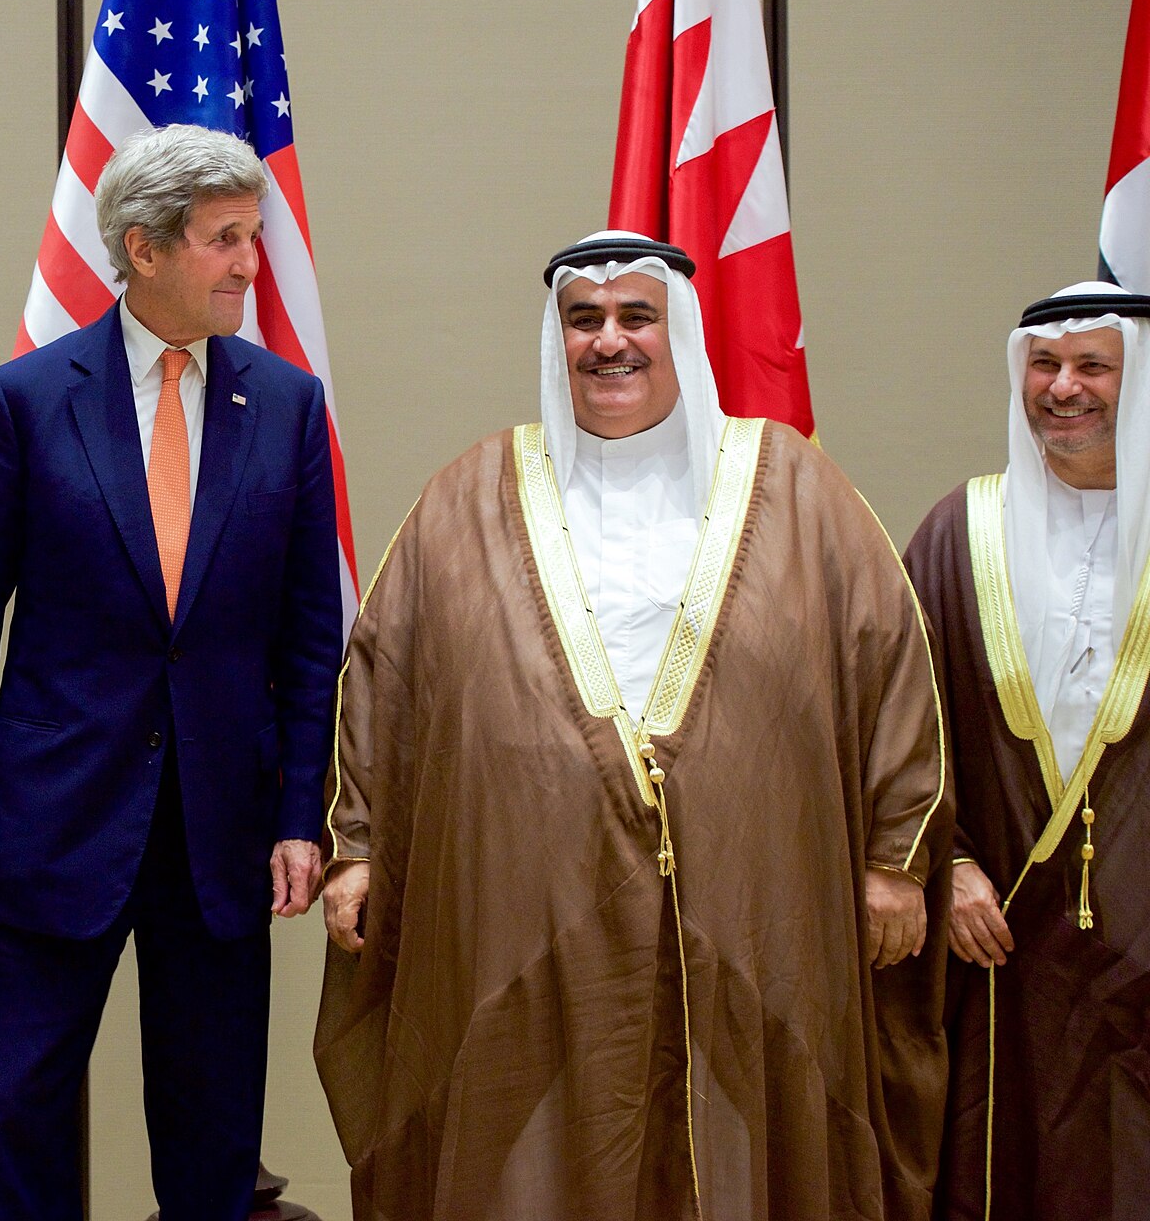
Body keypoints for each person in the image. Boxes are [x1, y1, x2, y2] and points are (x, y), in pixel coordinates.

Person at [315, 232, 952, 1220]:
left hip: (755, 893)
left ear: (680, 331)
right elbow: (386, 674)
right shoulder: (469, 495)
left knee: (747, 1141)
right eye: (584, 319)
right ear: (556, 338)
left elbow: (889, 664)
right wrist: (354, 848)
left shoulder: (793, 484)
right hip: (524, 901)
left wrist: (892, 861)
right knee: (526, 1142)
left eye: (635, 316)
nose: (609, 341)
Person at [0, 123, 342, 1220]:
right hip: (50, 820)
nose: (251, 261)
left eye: (252, 235)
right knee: (24, 1113)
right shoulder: (24, 399)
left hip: (220, 828)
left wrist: (303, 812)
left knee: (211, 1136)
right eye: (225, 239)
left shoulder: (286, 407)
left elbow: (306, 639)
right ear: (143, 250)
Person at [905, 282, 1150, 1219]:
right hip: (999, 944)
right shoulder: (960, 531)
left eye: (1094, 366)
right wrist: (948, 860)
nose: (1063, 388)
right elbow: (897, 725)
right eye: (1044, 365)